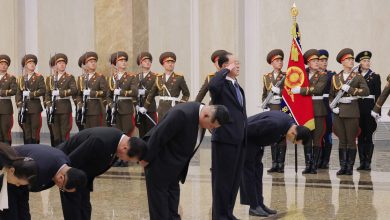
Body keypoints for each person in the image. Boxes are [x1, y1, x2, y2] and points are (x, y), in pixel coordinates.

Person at [140, 102, 230, 220]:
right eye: (211, 126)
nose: (211, 129)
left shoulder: (201, 116)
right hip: (159, 166)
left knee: (172, 207)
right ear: (206, 115)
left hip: (174, 169)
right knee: (160, 211)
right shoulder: (181, 114)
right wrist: (146, 158)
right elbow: (158, 135)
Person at [56, 127, 148, 220]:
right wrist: (67, 182)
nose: (124, 160)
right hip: (70, 171)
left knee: (85, 206)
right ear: (125, 148)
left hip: (84, 174)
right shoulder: (100, 141)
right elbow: (71, 160)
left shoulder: (119, 141)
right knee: (73, 208)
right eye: (127, 159)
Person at [240, 111, 311, 217]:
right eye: (294, 141)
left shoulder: (288, 123)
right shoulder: (275, 124)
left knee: (258, 173)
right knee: (249, 174)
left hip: (257, 144)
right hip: (248, 143)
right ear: (293, 134)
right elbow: (247, 128)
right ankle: (254, 206)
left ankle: (259, 203)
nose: (292, 142)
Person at [0, 142, 87, 219]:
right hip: (12, 175)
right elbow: (21, 186)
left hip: (21, 176)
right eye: (62, 188)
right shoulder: (40, 169)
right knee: (9, 211)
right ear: (61, 178)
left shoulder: (65, 162)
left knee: (23, 210)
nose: (59, 188)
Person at [208, 52, 247, 220]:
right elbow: (212, 86)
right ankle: (219, 215)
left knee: (234, 180)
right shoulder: (220, 84)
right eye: (233, 63)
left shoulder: (236, 85)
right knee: (222, 181)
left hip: (239, 138)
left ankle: (228, 212)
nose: (237, 65)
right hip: (225, 138)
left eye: (238, 62)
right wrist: (223, 71)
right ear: (224, 66)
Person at [329, 48, 369, 175]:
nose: (351, 61)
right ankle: (343, 166)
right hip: (339, 112)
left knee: (351, 140)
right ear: (342, 61)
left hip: (351, 111)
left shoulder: (357, 77)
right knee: (342, 140)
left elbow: (366, 91)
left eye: (352, 59)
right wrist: (332, 106)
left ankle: (350, 167)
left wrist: (351, 89)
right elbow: (331, 94)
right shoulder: (336, 78)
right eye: (348, 59)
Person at [291, 49, 327, 174]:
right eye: (314, 61)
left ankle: (314, 165)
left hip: (317, 110)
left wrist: (300, 90)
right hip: (305, 110)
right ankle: (308, 165)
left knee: (317, 138)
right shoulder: (302, 75)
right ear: (308, 62)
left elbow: (317, 89)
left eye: (318, 60)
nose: (317, 63)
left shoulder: (323, 75)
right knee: (307, 138)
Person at [141, 52, 190, 120]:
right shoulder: (159, 78)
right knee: (162, 129)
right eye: (168, 62)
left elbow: (186, 94)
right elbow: (151, 94)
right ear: (163, 64)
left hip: (173, 107)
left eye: (172, 62)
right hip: (161, 109)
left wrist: (179, 105)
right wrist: (145, 107)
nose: (170, 64)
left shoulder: (179, 78)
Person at [355, 51, 381, 171]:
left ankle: (368, 162)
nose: (367, 63)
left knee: (368, 135)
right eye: (364, 61)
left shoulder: (375, 76)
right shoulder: (355, 76)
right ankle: (362, 162)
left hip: (370, 109)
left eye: (368, 60)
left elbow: (379, 95)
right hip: (358, 108)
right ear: (360, 63)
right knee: (360, 135)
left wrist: (377, 111)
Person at [262, 49, 286, 173]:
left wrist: (280, 93)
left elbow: (290, 93)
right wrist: (264, 103)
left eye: (281, 60)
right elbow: (264, 93)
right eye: (277, 60)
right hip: (271, 108)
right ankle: (274, 163)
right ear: (272, 63)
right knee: (273, 136)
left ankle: (281, 164)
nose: (280, 62)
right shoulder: (267, 77)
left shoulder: (286, 76)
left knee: (281, 136)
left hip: (282, 108)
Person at [45, 53, 77, 146]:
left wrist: (60, 93)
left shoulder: (69, 77)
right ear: (55, 65)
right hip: (53, 109)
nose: (62, 64)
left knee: (64, 134)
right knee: (56, 135)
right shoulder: (50, 78)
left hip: (64, 108)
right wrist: (48, 104)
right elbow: (47, 93)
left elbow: (74, 90)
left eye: (63, 63)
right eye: (59, 63)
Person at [0, 142, 37, 220]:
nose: (18, 185)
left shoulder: (18, 168)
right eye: (18, 183)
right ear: (11, 171)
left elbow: (24, 209)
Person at [16, 54, 46, 144]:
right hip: (24, 107)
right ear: (25, 65)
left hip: (35, 107)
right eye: (29, 63)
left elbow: (42, 90)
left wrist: (31, 94)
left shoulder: (39, 77)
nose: (32, 64)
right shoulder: (21, 79)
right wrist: (20, 104)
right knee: (26, 131)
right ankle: (27, 150)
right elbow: (18, 94)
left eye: (33, 63)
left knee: (35, 130)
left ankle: (36, 150)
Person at [106, 51, 138, 135]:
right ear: (115, 64)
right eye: (121, 61)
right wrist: (111, 105)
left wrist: (121, 92)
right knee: (116, 134)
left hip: (126, 109)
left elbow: (135, 92)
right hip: (115, 110)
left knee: (127, 132)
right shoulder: (112, 78)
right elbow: (108, 96)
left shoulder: (131, 77)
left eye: (125, 60)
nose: (124, 62)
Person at [75, 51, 108, 128]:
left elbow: (104, 92)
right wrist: (80, 104)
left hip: (95, 109)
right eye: (90, 62)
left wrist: (91, 93)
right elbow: (78, 95)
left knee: (95, 131)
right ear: (85, 64)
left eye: (94, 62)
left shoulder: (100, 77)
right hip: (85, 109)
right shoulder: (81, 78)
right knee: (87, 132)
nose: (93, 63)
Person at [317, 49, 336, 169]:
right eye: (322, 60)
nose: (324, 63)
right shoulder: (312, 75)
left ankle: (326, 160)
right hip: (316, 106)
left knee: (327, 134)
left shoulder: (331, 75)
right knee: (318, 135)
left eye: (326, 60)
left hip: (328, 107)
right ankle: (318, 158)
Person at [135, 52, 158, 137]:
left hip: (150, 108)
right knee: (142, 132)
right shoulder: (137, 77)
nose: (148, 62)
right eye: (145, 61)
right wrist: (136, 105)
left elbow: (158, 91)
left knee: (151, 132)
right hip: (139, 108)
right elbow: (134, 93)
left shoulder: (155, 77)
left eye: (149, 61)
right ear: (140, 63)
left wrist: (145, 92)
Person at [0, 54, 17, 146]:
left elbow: (14, 90)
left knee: (5, 131)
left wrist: (2, 92)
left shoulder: (11, 78)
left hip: (5, 107)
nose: (3, 65)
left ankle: (8, 154)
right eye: (1, 64)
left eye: (5, 64)